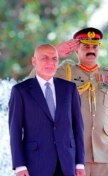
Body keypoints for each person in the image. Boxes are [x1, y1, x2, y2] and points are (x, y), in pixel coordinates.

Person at [30, 27, 108, 176]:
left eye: (95, 46)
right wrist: (56, 54)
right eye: (86, 46)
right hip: (74, 153)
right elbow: (33, 83)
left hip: (104, 154)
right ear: (76, 49)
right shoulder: (66, 72)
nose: (91, 50)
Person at [9, 44, 86, 176]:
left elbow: (78, 128)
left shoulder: (69, 89)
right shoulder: (20, 91)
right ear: (34, 61)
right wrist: (20, 166)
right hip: (35, 163)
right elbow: (14, 130)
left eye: (54, 58)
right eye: (45, 58)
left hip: (67, 163)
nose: (50, 62)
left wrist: (80, 163)